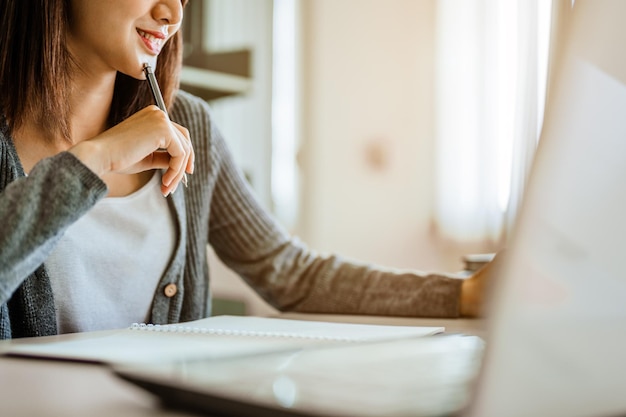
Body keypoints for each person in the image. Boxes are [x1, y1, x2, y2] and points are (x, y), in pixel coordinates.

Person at [0, 0, 496, 339]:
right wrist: (93, 162)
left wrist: (463, 294)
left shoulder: (189, 122)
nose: (172, 13)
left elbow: (291, 274)